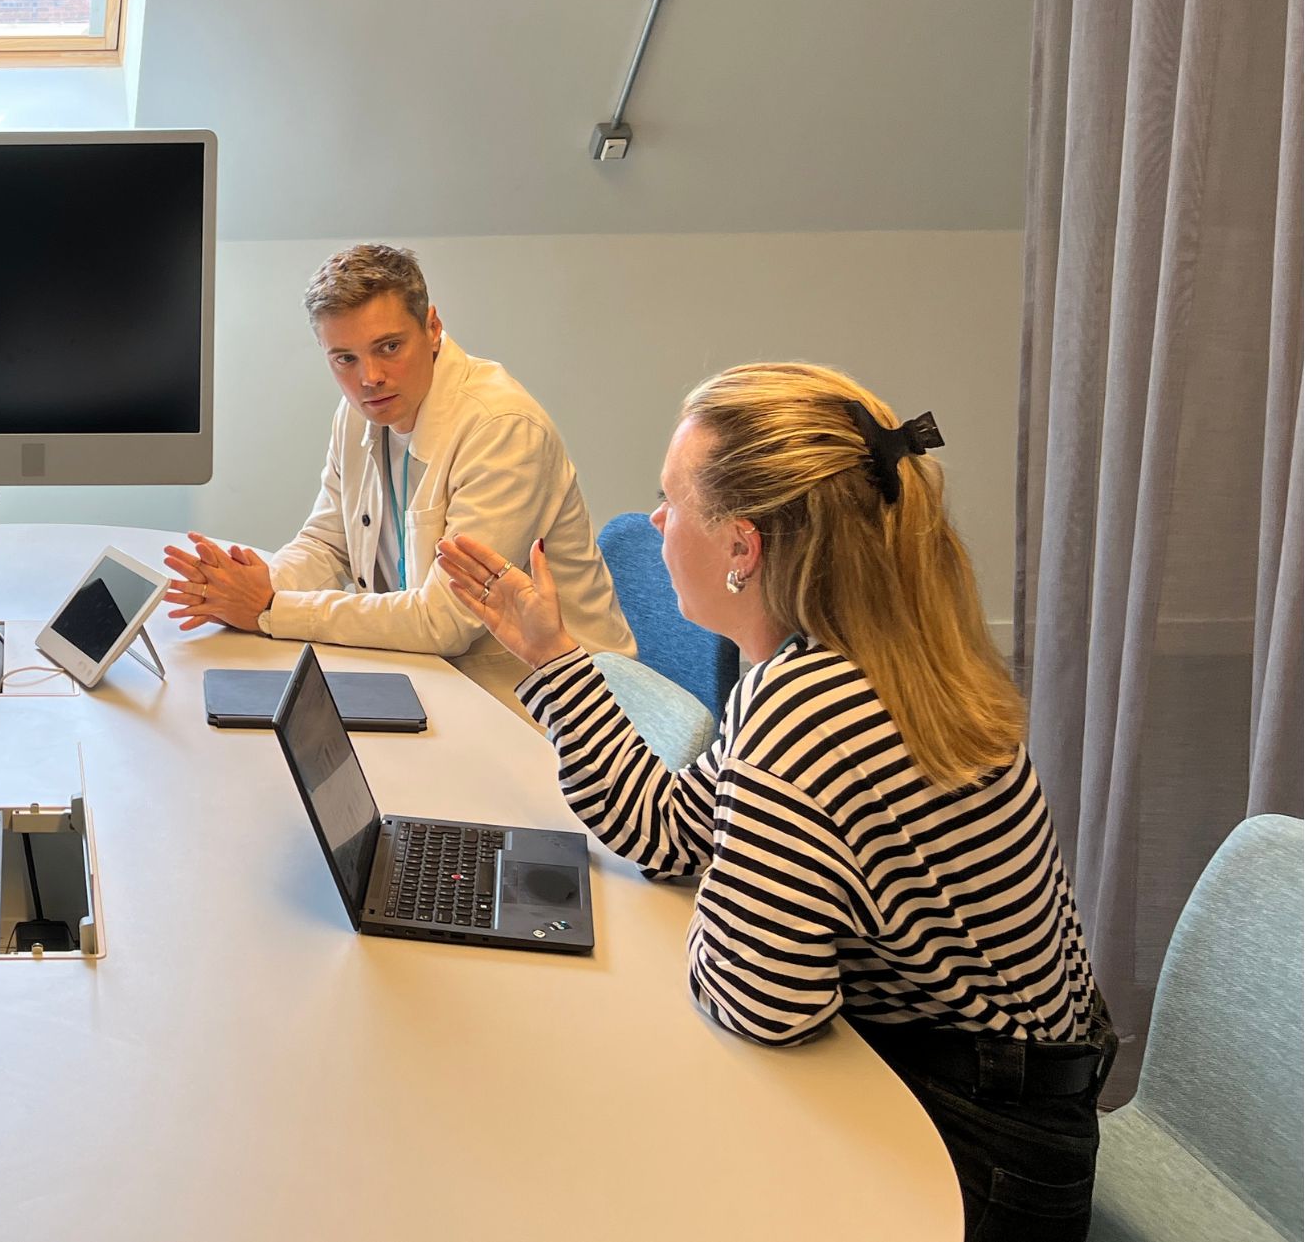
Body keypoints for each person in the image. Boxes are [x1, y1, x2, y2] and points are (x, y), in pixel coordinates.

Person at [439, 362, 1108, 1241]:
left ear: (743, 548)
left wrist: (733, 883)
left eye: (669, 500)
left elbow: (761, 1004)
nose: (655, 522)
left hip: (982, 1151)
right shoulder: (848, 652)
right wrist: (555, 658)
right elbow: (676, 831)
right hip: (1013, 1094)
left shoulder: (806, 709)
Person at [160, 243, 633, 675]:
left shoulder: (501, 428)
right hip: (433, 675)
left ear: (432, 327)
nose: (370, 377)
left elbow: (445, 622)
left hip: (546, 700)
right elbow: (328, 544)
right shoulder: (355, 414)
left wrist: (269, 608)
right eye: (344, 358)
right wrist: (251, 584)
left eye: (389, 347)